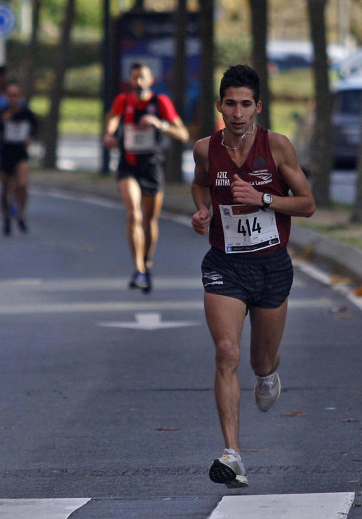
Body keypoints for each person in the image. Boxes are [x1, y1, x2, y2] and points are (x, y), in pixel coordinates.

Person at [190, 64, 315, 488]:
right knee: (226, 352)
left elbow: (307, 204)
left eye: (246, 104)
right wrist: (203, 210)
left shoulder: (277, 147)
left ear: (258, 106)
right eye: (231, 104)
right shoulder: (205, 149)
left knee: (261, 360)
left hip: (271, 265)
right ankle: (233, 454)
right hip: (225, 264)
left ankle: (267, 373)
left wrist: (263, 198)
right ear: (220, 105)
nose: (238, 112)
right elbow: (200, 184)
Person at [103, 62, 190, 293]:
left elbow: (182, 133)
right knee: (134, 214)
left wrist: (159, 124)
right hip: (128, 165)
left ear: (151, 80)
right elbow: (113, 117)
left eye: (142, 77)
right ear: (130, 81)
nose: (138, 81)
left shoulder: (160, 102)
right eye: (134, 77)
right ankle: (138, 268)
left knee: (150, 220)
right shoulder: (124, 101)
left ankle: (147, 262)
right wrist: (110, 134)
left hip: (151, 165)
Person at [0, 82, 38, 236]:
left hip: (21, 153)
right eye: (10, 95)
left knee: (22, 184)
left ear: (20, 96)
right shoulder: (2, 113)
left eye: (16, 95)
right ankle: (6, 217)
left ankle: (21, 215)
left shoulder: (27, 113)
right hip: (5, 154)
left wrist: (30, 139)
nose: (13, 98)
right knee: (5, 188)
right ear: (6, 97)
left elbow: (34, 129)